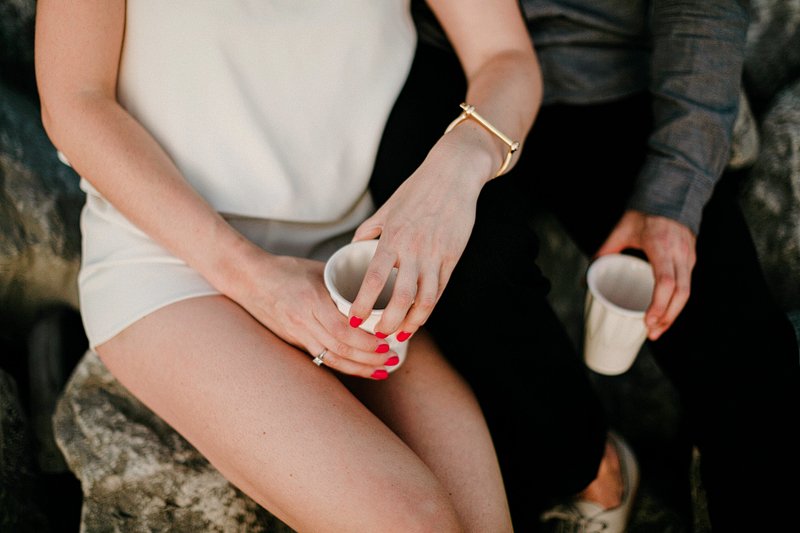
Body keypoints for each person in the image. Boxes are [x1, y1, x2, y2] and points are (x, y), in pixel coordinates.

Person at [34, 1, 544, 531]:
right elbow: (74, 99)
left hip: (349, 259)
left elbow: (505, 56)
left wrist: (459, 165)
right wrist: (255, 280)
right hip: (168, 254)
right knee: (414, 522)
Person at [367, 1, 800, 531]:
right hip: (450, 67)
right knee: (457, 273)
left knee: (738, 345)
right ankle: (591, 469)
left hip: (610, 74)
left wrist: (675, 186)